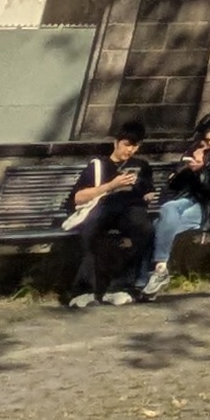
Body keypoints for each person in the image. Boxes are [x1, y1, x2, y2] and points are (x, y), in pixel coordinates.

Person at [56, 128, 157, 308]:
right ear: (116, 143)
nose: (130, 150)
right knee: (92, 229)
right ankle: (83, 291)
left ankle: (121, 286)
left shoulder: (141, 166)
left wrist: (147, 194)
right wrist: (111, 185)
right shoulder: (99, 165)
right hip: (104, 207)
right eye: (127, 144)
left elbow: (149, 192)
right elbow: (78, 198)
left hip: (130, 209)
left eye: (135, 146)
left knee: (144, 229)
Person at [143, 114, 210, 296]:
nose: (203, 139)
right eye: (201, 135)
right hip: (188, 198)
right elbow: (174, 184)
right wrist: (186, 168)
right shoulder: (197, 148)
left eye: (206, 134)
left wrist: (201, 170)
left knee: (158, 224)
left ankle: (147, 276)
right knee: (167, 209)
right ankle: (160, 270)